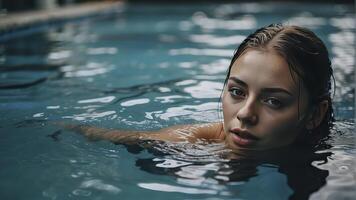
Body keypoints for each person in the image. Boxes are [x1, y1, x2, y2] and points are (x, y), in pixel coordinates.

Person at [64, 23, 334, 152]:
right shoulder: (192, 142)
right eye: (237, 92)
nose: (244, 114)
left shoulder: (339, 161)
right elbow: (101, 134)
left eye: (274, 101)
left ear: (314, 115)